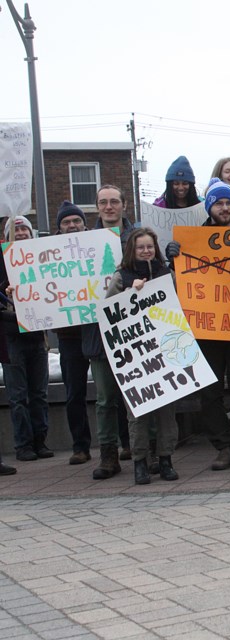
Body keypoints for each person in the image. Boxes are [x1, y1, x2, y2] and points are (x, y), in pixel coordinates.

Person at [167, 179, 230, 470]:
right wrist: (173, 259)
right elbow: (181, 278)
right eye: (219, 203)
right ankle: (222, 445)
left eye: (228, 203)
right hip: (207, 328)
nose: (224, 208)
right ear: (210, 208)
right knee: (209, 391)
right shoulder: (194, 239)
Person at [104, 228, 180, 484]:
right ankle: (140, 462)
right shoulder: (121, 276)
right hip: (134, 357)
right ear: (131, 251)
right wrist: (128, 293)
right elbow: (108, 313)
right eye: (140, 247)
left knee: (166, 411)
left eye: (149, 246)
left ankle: (166, 459)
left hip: (163, 352)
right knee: (137, 413)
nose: (146, 251)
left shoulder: (165, 274)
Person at [82, 185, 135, 477]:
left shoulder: (138, 239)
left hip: (132, 331)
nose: (109, 207)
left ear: (124, 205)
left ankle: (141, 448)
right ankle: (108, 455)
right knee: (104, 399)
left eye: (114, 201)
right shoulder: (81, 245)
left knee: (136, 394)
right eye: (103, 202)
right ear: (97, 207)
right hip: (97, 333)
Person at [0, 216, 52, 462]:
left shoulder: (42, 260)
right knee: (18, 395)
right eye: (16, 230)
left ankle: (40, 441)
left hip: (36, 334)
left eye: (24, 229)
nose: (20, 233)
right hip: (11, 339)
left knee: (39, 392)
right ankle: (23, 445)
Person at [52, 201, 94, 464]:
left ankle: (122, 443)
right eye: (66, 222)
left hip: (98, 330)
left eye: (76, 221)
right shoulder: (47, 254)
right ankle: (81, 446)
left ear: (84, 224)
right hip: (68, 335)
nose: (71, 226)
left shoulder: (96, 247)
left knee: (110, 392)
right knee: (74, 393)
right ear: (59, 228)